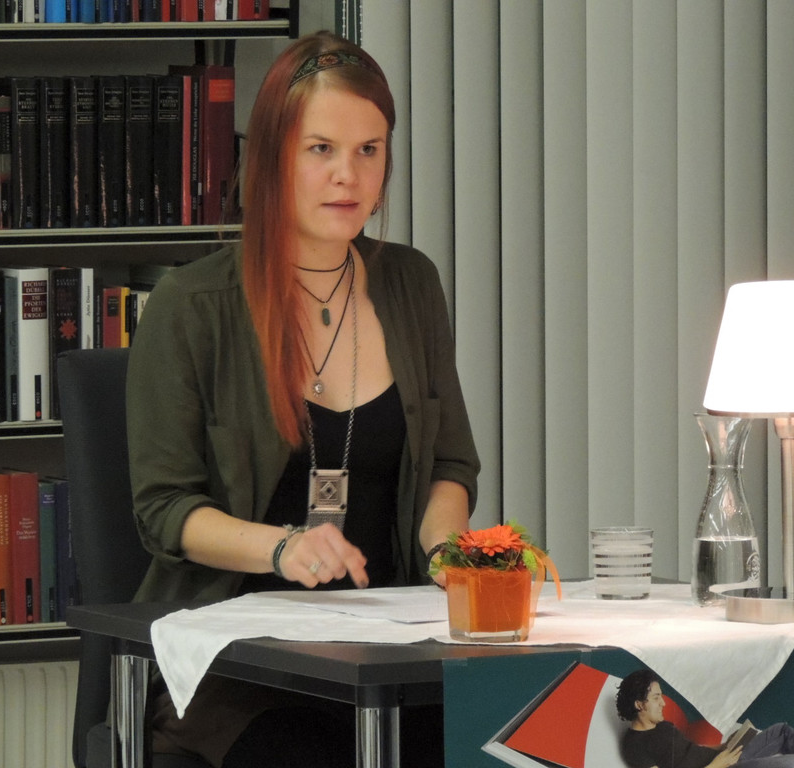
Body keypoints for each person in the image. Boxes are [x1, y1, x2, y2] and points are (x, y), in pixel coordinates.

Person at [125, 31, 480, 768]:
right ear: (272, 157)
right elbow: (165, 510)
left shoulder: (411, 284)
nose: (348, 176)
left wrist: (451, 554)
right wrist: (284, 547)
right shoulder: (191, 305)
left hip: (384, 650)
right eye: (321, 149)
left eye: (368, 150)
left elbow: (449, 464)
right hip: (233, 661)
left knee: (508, 740)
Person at [615, 669, 794, 768]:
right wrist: (718, 764)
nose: (663, 703)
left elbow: (690, 752)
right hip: (722, 767)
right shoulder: (635, 746)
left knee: (781, 731)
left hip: (723, 757)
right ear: (639, 704)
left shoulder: (662, 726)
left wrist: (723, 746)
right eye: (656, 698)